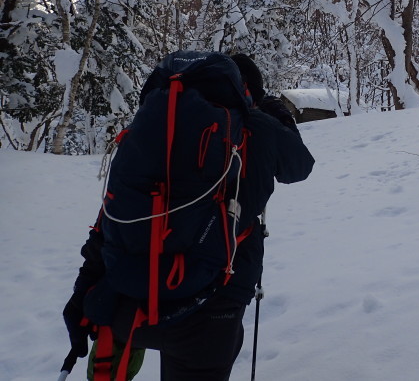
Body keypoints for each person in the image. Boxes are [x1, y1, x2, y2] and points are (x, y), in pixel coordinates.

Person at [63, 53, 314, 380]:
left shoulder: (150, 127)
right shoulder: (256, 127)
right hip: (208, 315)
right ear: (245, 91)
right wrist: (276, 113)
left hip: (123, 306)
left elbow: (109, 218)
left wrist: (81, 294)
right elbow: (299, 166)